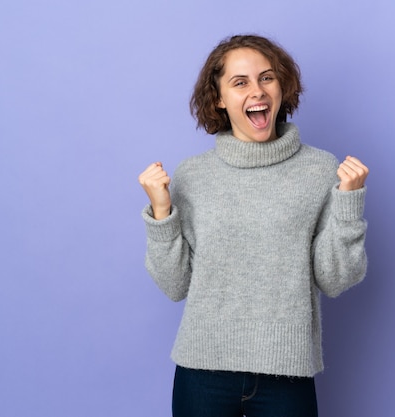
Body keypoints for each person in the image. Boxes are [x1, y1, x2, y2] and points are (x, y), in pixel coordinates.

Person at [138, 34, 369, 417]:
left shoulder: (320, 170)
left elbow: (336, 279)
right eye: (240, 82)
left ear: (283, 87)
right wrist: (162, 213)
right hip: (202, 370)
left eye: (267, 78)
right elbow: (175, 285)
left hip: (287, 373)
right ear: (218, 98)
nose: (257, 91)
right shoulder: (193, 176)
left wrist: (348, 204)